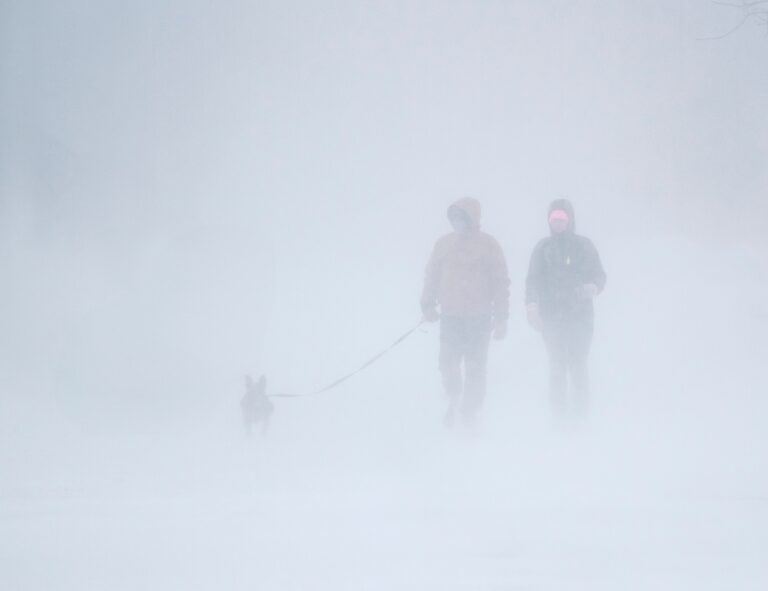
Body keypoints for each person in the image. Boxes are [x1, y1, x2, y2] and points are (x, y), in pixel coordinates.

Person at [421, 198, 510, 428]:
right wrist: (427, 305)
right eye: (454, 218)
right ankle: (453, 398)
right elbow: (432, 276)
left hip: (479, 317)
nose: (457, 223)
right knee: (448, 363)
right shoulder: (443, 244)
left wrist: (501, 317)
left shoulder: (488, 245)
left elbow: (500, 282)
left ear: (472, 219)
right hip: (450, 316)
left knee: (475, 367)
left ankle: (470, 411)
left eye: (462, 218)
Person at [525, 199, 606, 419]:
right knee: (557, 366)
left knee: (578, 365)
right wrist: (532, 306)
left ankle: (580, 417)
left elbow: (599, 275)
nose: (558, 223)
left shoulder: (584, 246)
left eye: (562, 218)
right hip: (551, 318)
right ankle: (559, 418)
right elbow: (533, 280)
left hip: (580, 317)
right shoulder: (543, 248)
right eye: (554, 219)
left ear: (570, 220)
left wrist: (593, 287)